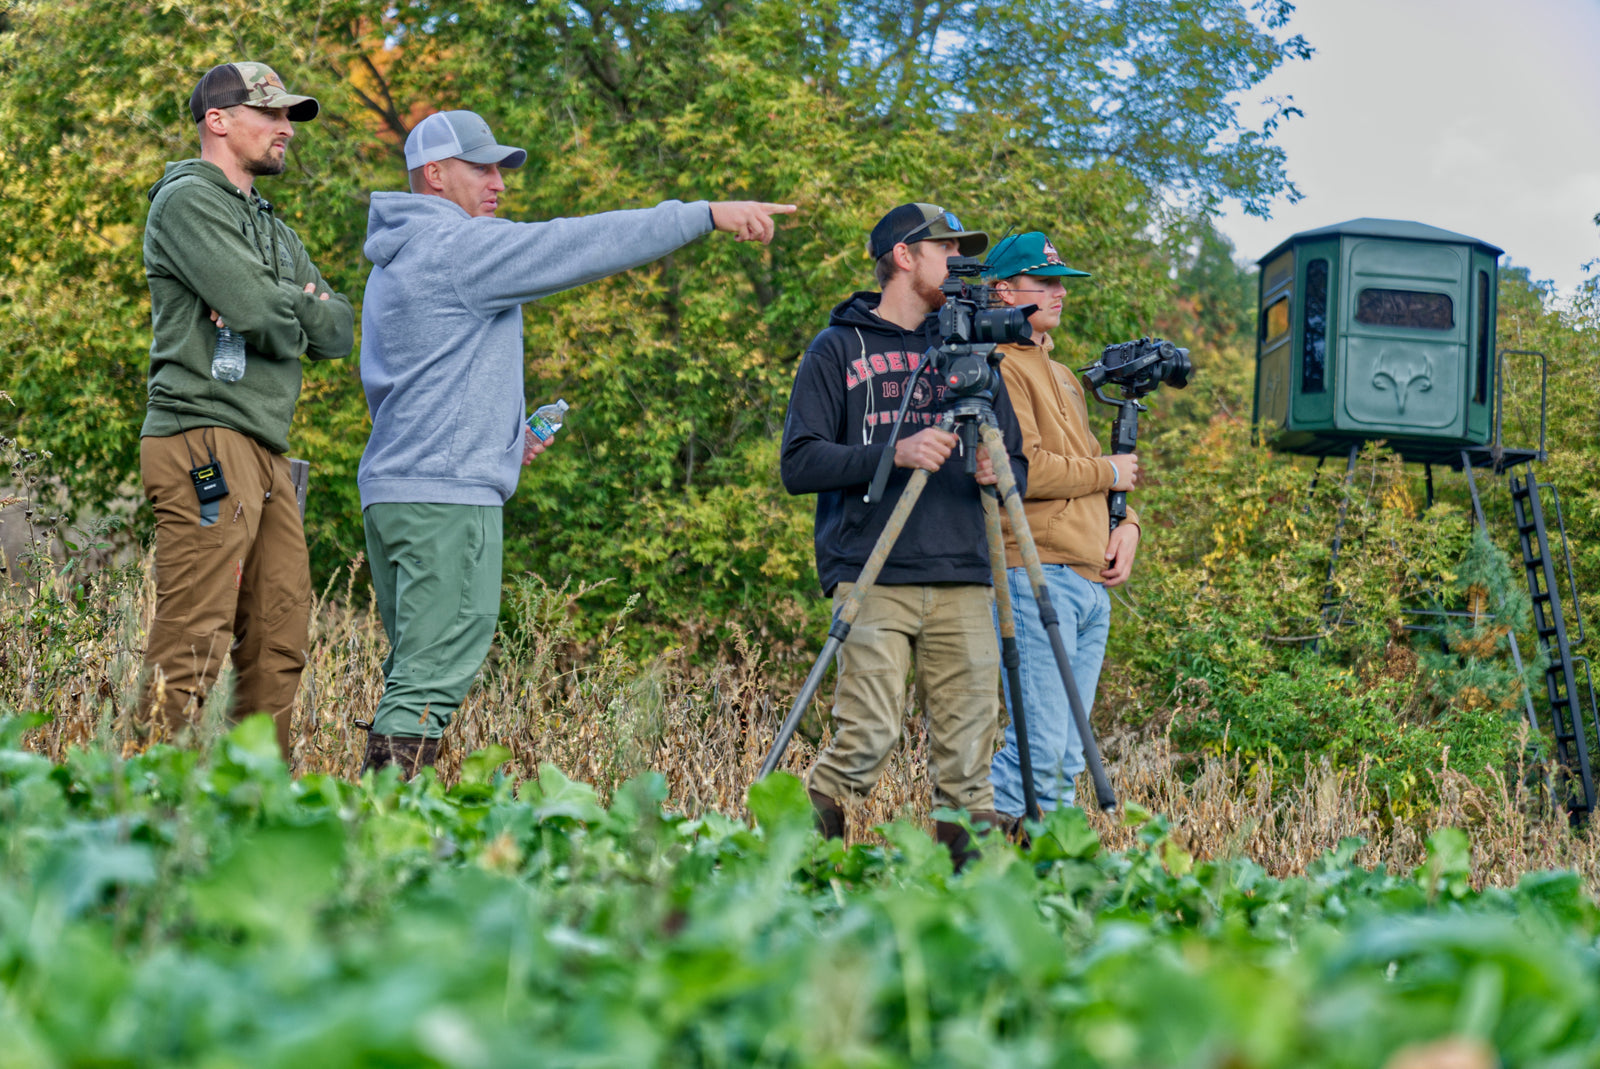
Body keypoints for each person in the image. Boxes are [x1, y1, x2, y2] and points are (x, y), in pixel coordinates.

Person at [356, 109, 795, 776]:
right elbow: (582, 242)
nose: (498, 181)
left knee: (414, 666)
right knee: (434, 670)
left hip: (398, 492)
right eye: (482, 167)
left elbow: (420, 388)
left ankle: (378, 823)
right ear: (435, 175)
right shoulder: (460, 250)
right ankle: (383, 830)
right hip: (447, 500)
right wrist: (704, 213)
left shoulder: (397, 258)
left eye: (502, 167)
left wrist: (504, 441)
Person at [779, 203, 1029, 869]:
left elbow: (1021, 467)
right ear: (902, 255)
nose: (957, 262)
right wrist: (895, 450)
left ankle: (967, 902)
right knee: (865, 737)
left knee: (969, 763)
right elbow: (799, 462)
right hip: (872, 568)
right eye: (944, 248)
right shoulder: (838, 348)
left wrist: (996, 468)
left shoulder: (972, 351)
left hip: (966, 574)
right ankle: (797, 869)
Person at [139, 61, 355, 759]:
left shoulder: (270, 225)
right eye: (272, 113)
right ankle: (153, 799)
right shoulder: (187, 201)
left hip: (265, 448)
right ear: (219, 120)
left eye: (290, 116)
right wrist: (285, 300)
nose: (286, 128)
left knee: (278, 633)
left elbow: (339, 331)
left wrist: (270, 300)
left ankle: (255, 801)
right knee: (195, 628)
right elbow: (263, 308)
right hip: (201, 434)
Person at [981, 231, 1141, 817]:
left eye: (1061, 284)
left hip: (1089, 584)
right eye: (1043, 282)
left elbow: (1106, 475)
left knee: (1068, 756)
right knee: (1040, 750)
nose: (1058, 293)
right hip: (1034, 572)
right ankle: (982, 877)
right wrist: (1108, 472)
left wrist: (1129, 528)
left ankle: (1041, 889)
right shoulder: (1000, 366)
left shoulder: (1067, 376)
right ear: (1002, 290)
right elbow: (1025, 471)